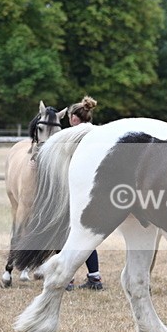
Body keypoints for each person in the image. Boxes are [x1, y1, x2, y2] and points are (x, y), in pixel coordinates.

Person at [65, 96, 105, 291]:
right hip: (96, 190)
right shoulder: (97, 133)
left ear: (74, 118)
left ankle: (68, 278)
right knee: (87, 233)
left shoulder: (73, 135)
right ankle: (94, 277)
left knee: (68, 233)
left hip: (78, 189)